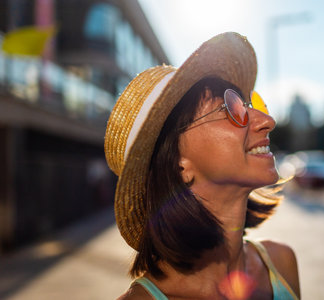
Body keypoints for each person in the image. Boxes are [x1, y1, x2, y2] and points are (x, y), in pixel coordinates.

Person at [105, 32, 300, 300]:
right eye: (229, 108)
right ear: (178, 164)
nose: (267, 120)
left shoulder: (282, 263)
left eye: (248, 104)